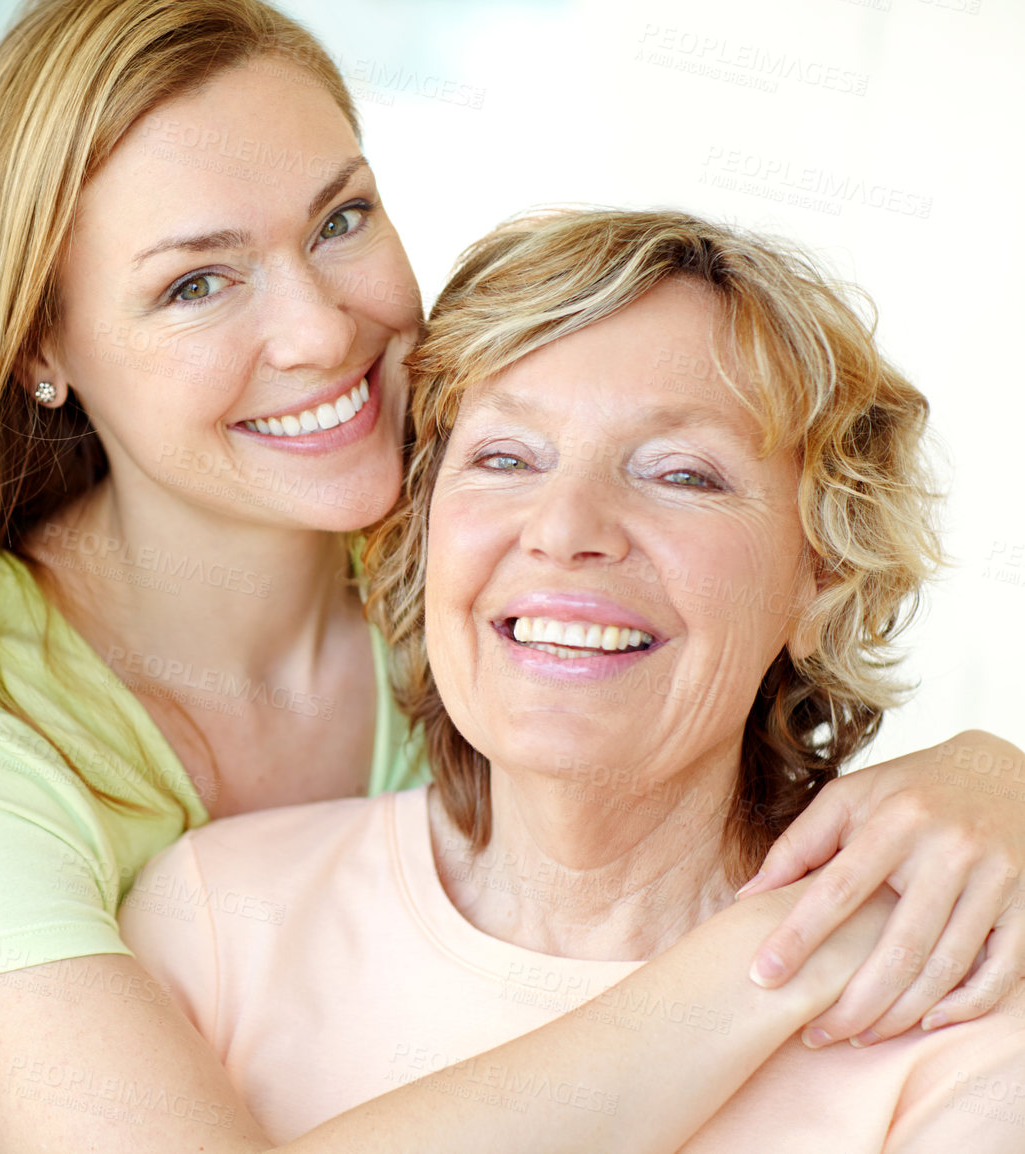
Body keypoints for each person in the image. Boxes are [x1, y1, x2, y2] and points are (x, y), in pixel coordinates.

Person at [0, 3, 1025, 1152]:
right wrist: (805, 952)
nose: (320, 328)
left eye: (339, 219)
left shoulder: (470, 586)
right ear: (39, 351)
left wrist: (991, 780)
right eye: (196, 284)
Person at [119, 208, 1025, 1151]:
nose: (565, 528)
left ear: (824, 571)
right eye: (505, 459)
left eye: (682, 475)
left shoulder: (964, 1012)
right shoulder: (219, 920)